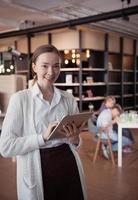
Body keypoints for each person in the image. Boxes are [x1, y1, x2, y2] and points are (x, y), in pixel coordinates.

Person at [0, 44, 87, 200]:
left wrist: (75, 139)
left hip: (68, 167)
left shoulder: (68, 99)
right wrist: (42, 137)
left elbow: (75, 143)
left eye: (56, 66)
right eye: (45, 66)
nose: (51, 72)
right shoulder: (20, 99)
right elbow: (6, 147)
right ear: (34, 67)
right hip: (38, 170)